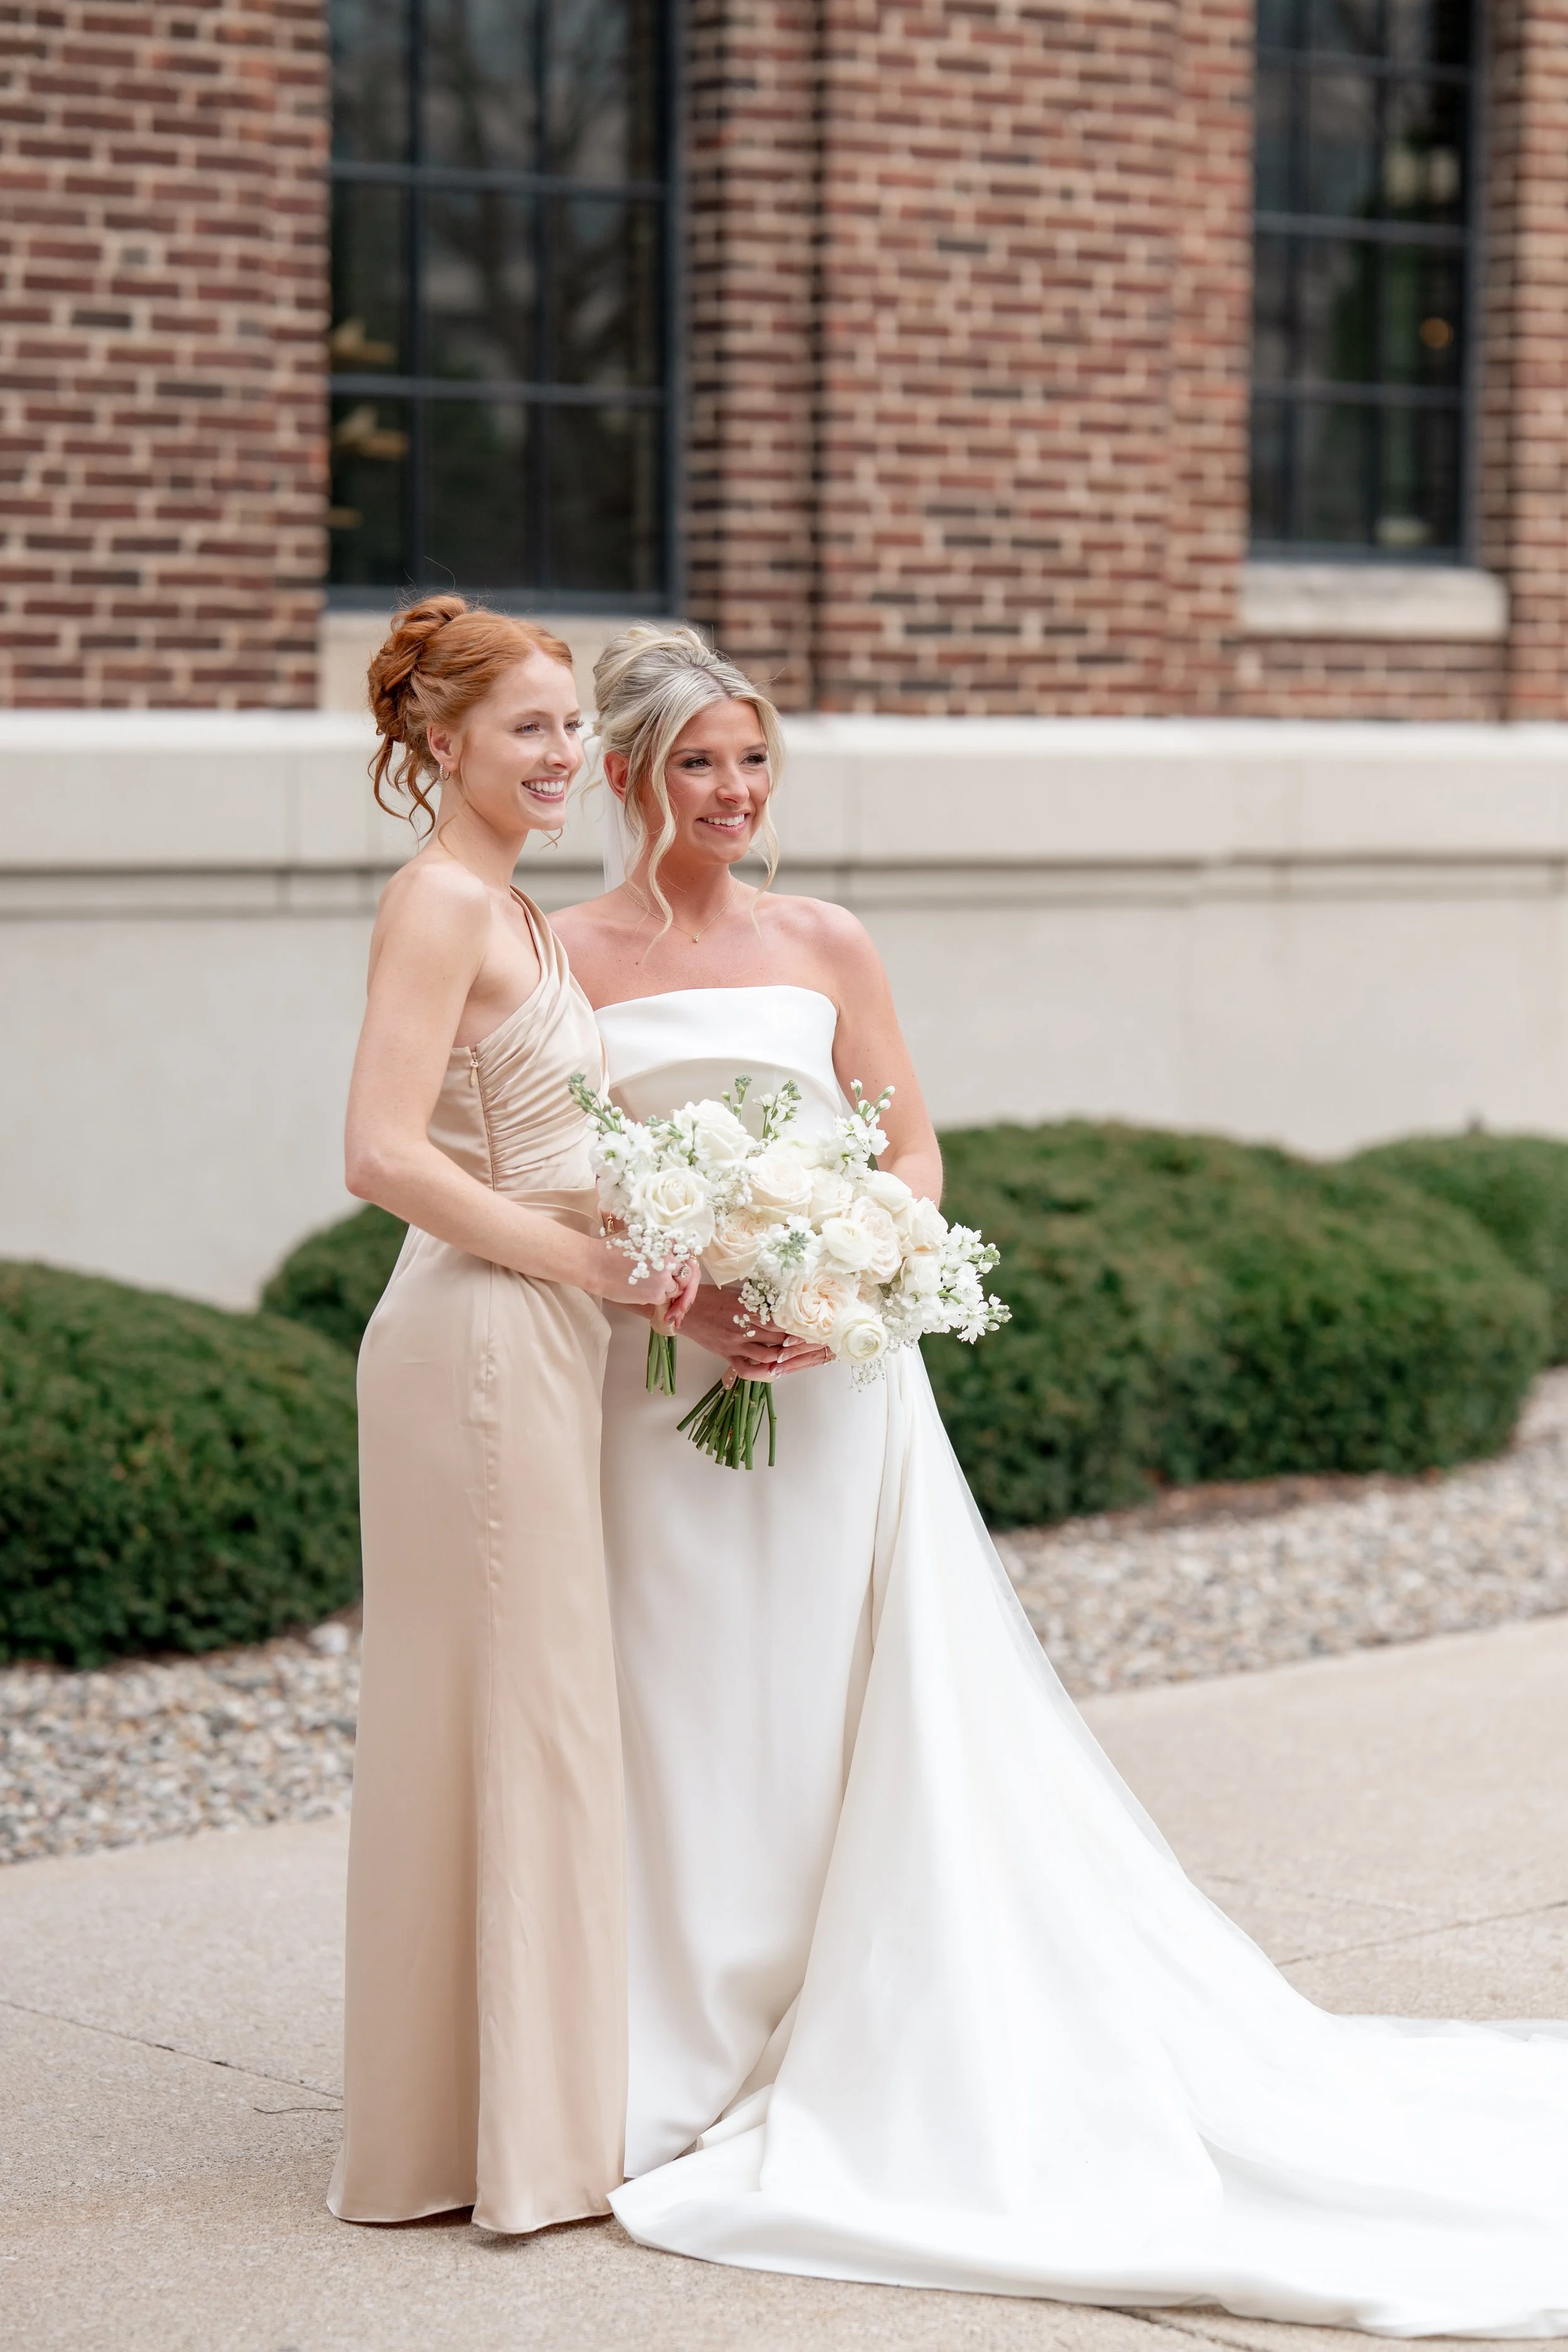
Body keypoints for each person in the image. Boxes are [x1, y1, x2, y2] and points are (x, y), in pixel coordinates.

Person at [552, 622, 1568, 2336]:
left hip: (833, 1381)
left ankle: (849, 2019)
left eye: (750, 761)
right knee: (681, 1692)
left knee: (833, 1689)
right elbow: (559, 1159)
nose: (731, 792)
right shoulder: (557, 952)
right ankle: (671, 2042)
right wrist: (686, 1265)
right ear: (628, 778)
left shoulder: (825, 937)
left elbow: (910, 1135)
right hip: (658, 1379)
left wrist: (848, 1259)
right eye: (697, 764)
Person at [327, 598, 694, 2237]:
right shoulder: (433, 902)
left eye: (568, 728)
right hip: (475, 1333)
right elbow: (382, 1152)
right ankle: (504, 2142)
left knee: (535, 1713)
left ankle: (503, 2120)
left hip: (538, 1324)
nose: (561, 756)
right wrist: (577, 1259)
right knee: (510, 1715)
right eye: (527, 730)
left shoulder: (518, 910)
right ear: (441, 746)